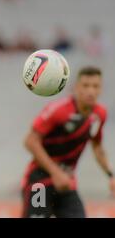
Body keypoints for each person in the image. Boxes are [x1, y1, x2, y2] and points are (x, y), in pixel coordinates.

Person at [22, 66, 115, 218]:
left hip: (66, 183)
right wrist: (56, 173)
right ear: (76, 87)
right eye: (86, 85)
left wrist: (111, 175)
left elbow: (97, 146)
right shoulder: (59, 110)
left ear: (101, 89)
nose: (91, 91)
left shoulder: (100, 114)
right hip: (39, 181)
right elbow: (30, 141)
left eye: (95, 86)